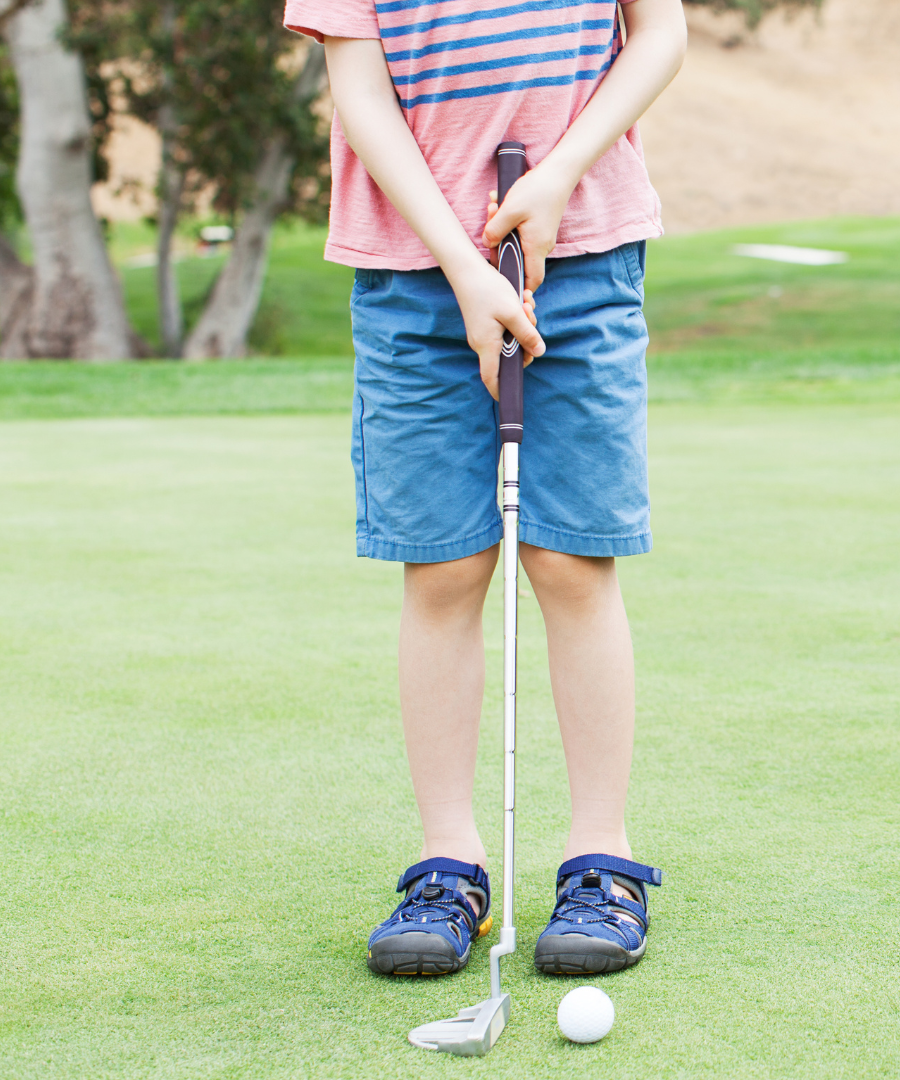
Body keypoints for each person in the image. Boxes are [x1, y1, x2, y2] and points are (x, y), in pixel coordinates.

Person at [284, 0, 687, 977]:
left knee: (572, 562)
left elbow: (660, 33)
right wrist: (464, 267)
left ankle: (602, 860)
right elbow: (358, 91)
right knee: (444, 569)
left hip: (582, 249)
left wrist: (557, 176)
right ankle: (448, 865)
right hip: (412, 271)